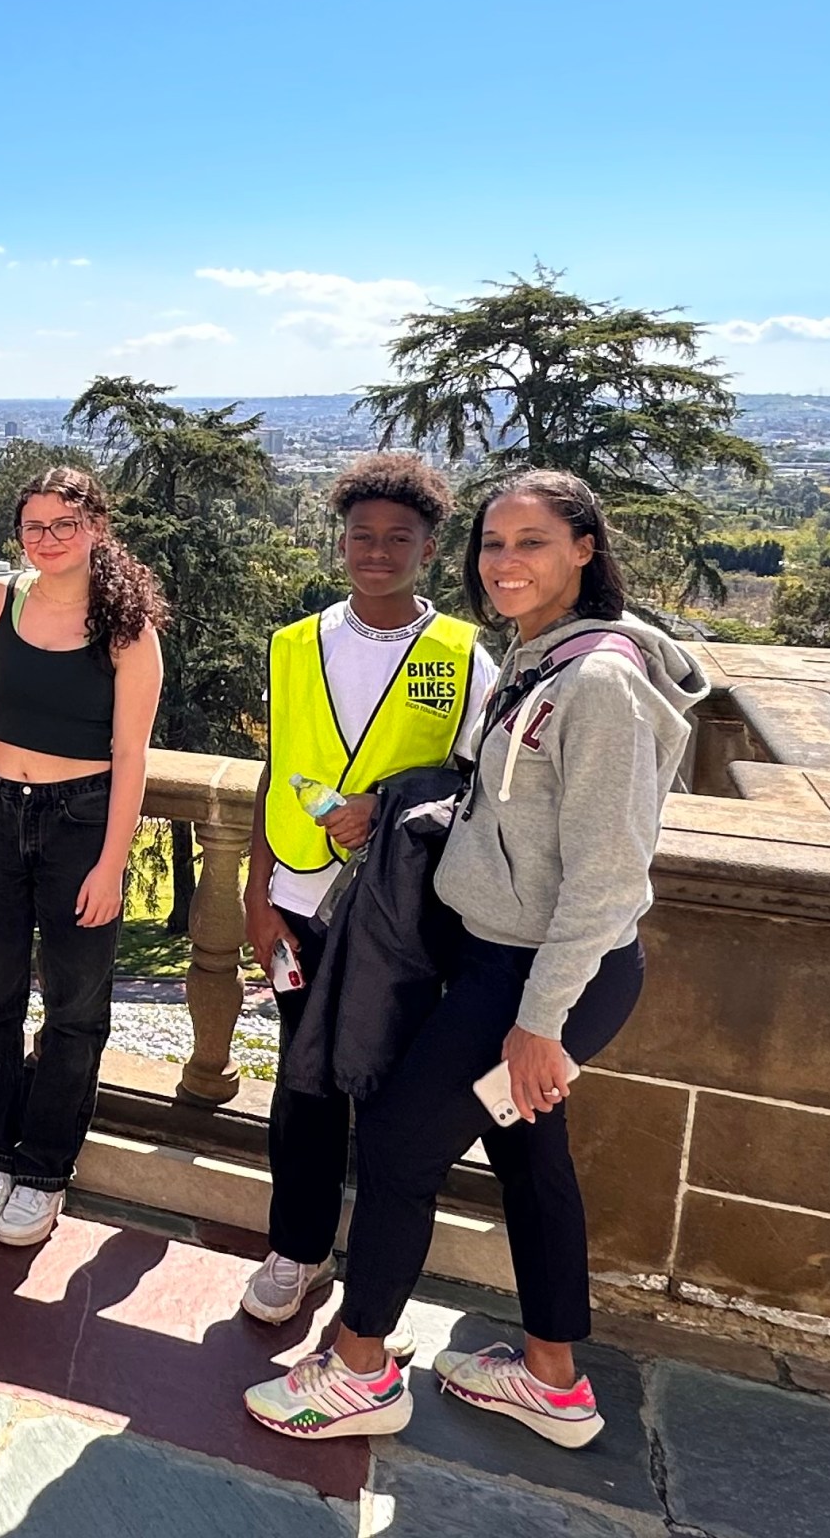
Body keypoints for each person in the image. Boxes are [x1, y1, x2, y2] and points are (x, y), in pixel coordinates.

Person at [246, 469, 706, 1450]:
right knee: (529, 1150)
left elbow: (609, 878)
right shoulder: (542, 659)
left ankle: (361, 1369)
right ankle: (552, 1380)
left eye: (531, 542)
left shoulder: (601, 683)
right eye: (494, 544)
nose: (505, 563)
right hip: (510, 967)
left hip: (535, 982)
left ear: (584, 549)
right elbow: (493, 801)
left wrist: (540, 1025)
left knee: (405, 1147)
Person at [239, 454, 497, 1324]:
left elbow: (485, 785)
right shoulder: (293, 644)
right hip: (304, 907)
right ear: (340, 542)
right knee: (302, 1086)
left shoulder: (463, 656)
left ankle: (378, 1271)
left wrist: (384, 804)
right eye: (361, 536)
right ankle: (298, 1250)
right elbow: (276, 771)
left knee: (386, 1093)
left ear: (429, 549)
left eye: (398, 539)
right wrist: (256, 889)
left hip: (400, 918)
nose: (375, 553)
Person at [0, 466, 165, 1248]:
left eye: (65, 525)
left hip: (79, 823)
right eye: (34, 526)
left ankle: (44, 1168)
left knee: (75, 1011)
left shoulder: (126, 629)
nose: (47, 539)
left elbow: (131, 756)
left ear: (98, 530)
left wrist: (112, 863)